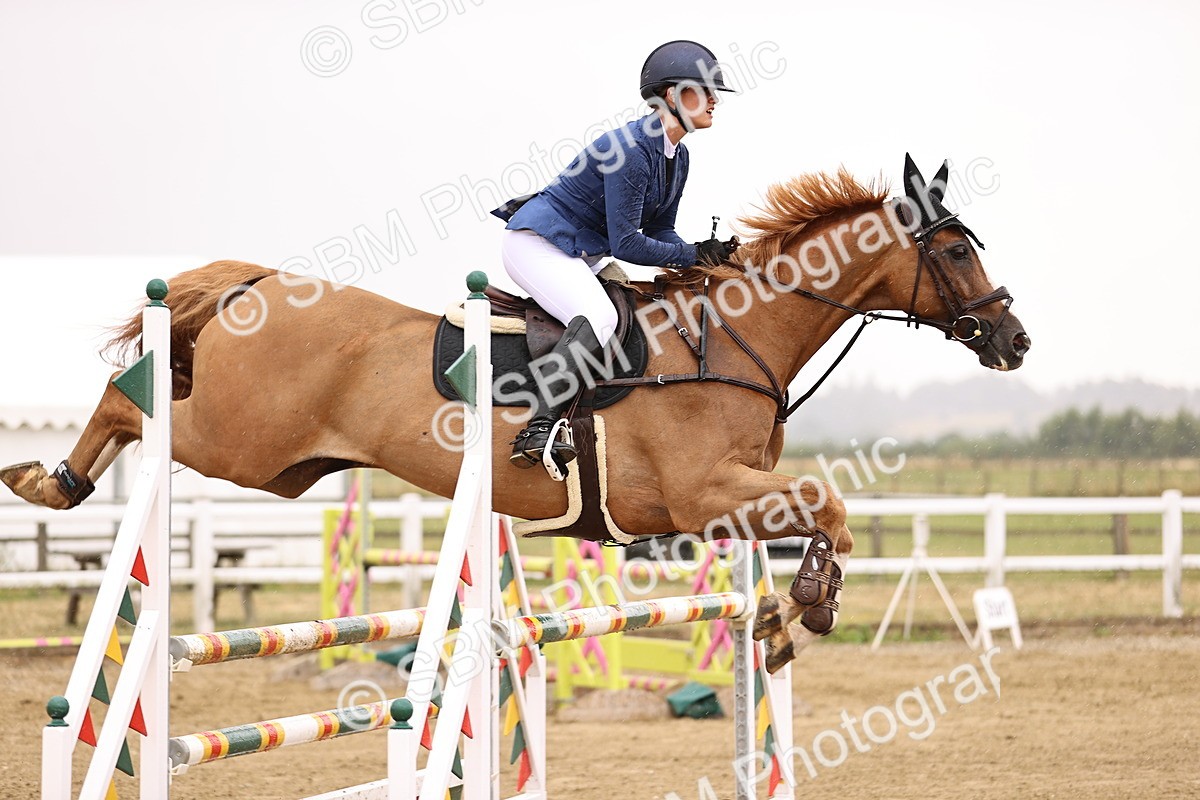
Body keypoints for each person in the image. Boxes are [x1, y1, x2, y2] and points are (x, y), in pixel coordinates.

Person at [492, 40, 741, 470]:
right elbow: (627, 243)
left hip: (581, 252)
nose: (715, 100)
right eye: (705, 90)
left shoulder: (677, 155)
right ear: (673, 96)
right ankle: (538, 425)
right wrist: (690, 253)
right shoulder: (631, 149)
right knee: (600, 316)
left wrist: (700, 260)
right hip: (537, 244)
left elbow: (660, 230)